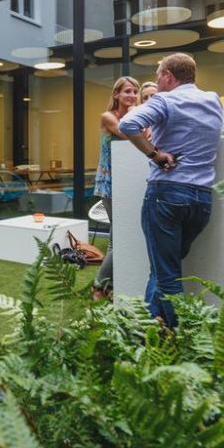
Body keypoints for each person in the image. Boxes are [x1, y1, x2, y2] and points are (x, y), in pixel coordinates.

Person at [118, 53, 224, 327]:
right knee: (164, 266)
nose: (156, 82)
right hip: (202, 199)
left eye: (158, 76)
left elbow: (127, 124)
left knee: (166, 274)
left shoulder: (165, 100)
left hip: (167, 195)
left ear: (168, 76)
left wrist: (155, 155)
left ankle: (183, 336)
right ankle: (150, 326)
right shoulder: (213, 99)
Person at [90, 76, 140, 301]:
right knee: (120, 237)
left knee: (116, 237)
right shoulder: (108, 117)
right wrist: (137, 112)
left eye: (135, 91)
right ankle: (99, 285)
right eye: (127, 91)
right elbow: (129, 133)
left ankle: (108, 285)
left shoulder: (135, 116)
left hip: (127, 181)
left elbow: (146, 136)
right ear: (116, 94)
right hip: (110, 183)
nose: (132, 95)